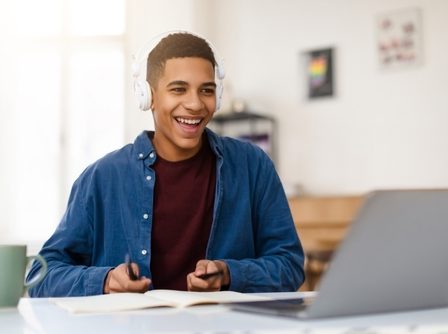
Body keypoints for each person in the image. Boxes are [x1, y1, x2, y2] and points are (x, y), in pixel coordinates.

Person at [27, 31, 305, 297]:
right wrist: (107, 280)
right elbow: (40, 275)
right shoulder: (103, 177)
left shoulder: (252, 166)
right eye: (178, 89)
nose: (195, 104)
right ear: (148, 96)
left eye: (206, 90)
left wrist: (229, 274)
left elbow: (290, 266)